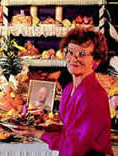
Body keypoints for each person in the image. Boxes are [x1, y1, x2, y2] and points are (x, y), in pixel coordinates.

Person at [12, 27, 113, 156]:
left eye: (82, 54)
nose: (73, 58)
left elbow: (77, 145)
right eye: (70, 52)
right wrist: (44, 128)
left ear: (96, 61)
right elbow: (70, 130)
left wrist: (39, 134)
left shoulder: (95, 95)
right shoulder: (68, 89)